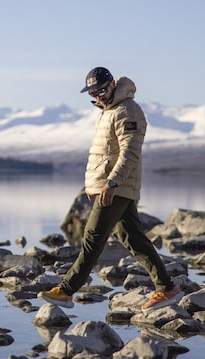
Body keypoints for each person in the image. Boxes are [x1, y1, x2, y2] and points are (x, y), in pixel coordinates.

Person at [38, 66, 183, 311]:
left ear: (113, 84)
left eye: (102, 91)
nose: (98, 97)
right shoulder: (109, 111)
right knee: (133, 239)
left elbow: (130, 153)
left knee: (92, 238)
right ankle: (167, 289)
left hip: (117, 188)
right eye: (93, 93)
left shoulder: (128, 110)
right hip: (112, 187)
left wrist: (111, 183)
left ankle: (66, 290)